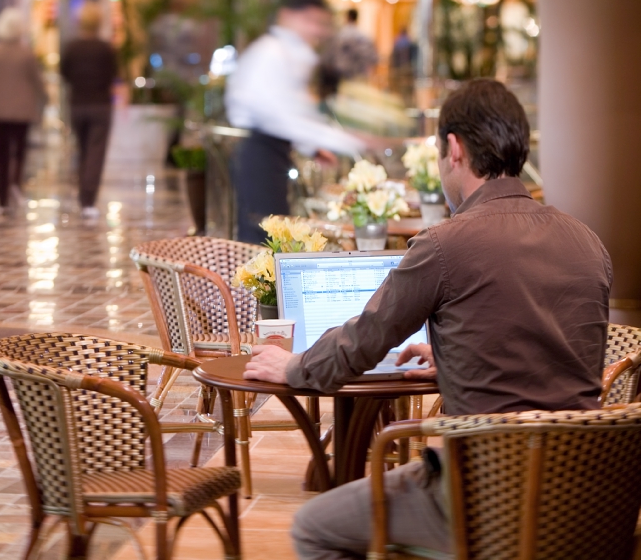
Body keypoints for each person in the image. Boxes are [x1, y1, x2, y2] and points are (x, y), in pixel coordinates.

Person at [243, 78, 612, 560]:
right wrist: (463, 358)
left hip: (487, 499)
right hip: (586, 499)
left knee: (314, 527)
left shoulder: (444, 245)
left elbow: (362, 342)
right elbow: (561, 354)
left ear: (453, 149)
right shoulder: (588, 243)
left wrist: (293, 365)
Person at [225, 0, 365, 243]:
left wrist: (312, 147)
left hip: (274, 151)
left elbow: (292, 112)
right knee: (265, 236)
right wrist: (348, 140)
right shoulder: (271, 52)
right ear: (287, 16)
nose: (317, 30)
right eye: (310, 21)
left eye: (320, 23)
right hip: (260, 153)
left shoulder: (290, 52)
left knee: (276, 231)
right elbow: (280, 117)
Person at [0, 7, 46, 213]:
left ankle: (2, 198)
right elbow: (37, 81)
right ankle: (15, 183)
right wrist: (45, 99)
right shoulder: (26, 54)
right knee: (19, 152)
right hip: (22, 111)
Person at [60, 2, 118, 219]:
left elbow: (64, 73)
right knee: (96, 152)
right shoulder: (105, 48)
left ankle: (83, 194)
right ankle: (88, 199)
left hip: (77, 103)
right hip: (100, 104)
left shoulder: (71, 47)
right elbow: (113, 74)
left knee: (83, 149)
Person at [319, 8, 379, 98]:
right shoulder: (363, 36)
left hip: (339, 75)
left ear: (347, 18)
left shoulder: (338, 35)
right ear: (357, 18)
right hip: (358, 76)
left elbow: (328, 56)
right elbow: (372, 58)